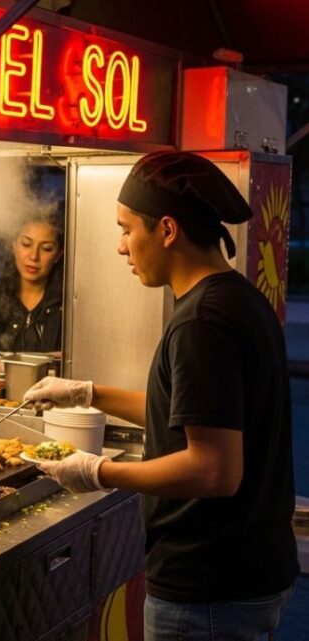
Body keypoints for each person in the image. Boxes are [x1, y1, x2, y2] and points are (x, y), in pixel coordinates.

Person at [23, 152, 296, 641]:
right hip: (246, 572)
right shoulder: (237, 298)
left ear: (167, 230)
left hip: (208, 589)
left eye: (127, 229)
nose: (121, 248)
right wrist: (89, 392)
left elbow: (214, 469)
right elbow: (189, 412)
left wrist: (97, 471)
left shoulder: (201, 322)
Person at [0, 213, 63, 371]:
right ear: (14, 244)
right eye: (26, 244)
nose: (34, 256)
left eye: (46, 248)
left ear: (59, 253)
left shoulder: (67, 306)